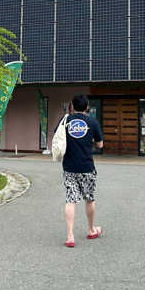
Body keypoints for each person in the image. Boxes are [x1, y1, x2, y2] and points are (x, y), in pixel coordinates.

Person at [62, 93, 103, 247]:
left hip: (69, 167)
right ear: (87, 107)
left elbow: (58, 138)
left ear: (72, 106)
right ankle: (91, 230)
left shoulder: (65, 121)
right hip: (86, 166)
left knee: (70, 200)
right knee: (89, 198)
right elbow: (100, 145)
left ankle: (70, 236)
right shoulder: (92, 122)